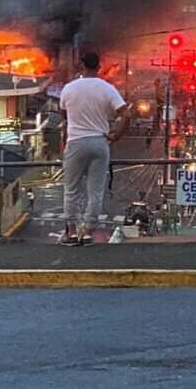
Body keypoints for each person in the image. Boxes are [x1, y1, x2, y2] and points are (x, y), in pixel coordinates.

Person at [59, 51, 130, 246]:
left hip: (76, 142)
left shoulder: (69, 88)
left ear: (81, 66)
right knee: (96, 192)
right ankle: (88, 232)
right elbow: (126, 114)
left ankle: (71, 233)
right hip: (100, 142)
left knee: (71, 190)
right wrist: (116, 135)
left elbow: (63, 114)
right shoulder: (107, 88)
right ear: (99, 67)